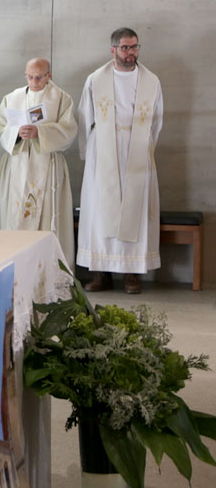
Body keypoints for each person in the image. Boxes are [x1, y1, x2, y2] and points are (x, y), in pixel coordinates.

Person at [77, 27, 163, 294]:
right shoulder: (96, 79)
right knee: (101, 209)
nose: (131, 53)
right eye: (125, 48)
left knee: (135, 210)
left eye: (135, 47)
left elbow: (157, 120)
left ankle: (131, 274)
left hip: (136, 148)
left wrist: (146, 148)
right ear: (113, 49)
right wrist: (88, 153)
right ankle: (101, 272)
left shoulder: (152, 81)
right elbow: (84, 117)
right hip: (103, 148)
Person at [0, 58, 77, 267]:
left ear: (49, 75)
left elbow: (69, 131)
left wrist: (40, 132)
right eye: (30, 76)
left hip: (47, 164)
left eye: (39, 77)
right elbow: (0, 128)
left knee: (47, 218)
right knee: (15, 217)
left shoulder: (61, 99)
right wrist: (17, 133)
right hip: (18, 164)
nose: (34, 81)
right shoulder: (12, 98)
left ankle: (46, 271)